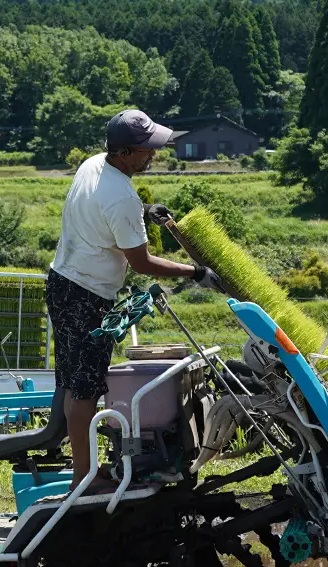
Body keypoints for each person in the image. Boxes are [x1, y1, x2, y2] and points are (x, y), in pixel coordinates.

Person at [49, 110, 220, 490]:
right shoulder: (121, 197)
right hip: (85, 295)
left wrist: (145, 212)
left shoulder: (94, 165)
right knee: (86, 390)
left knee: (76, 385)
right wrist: (195, 273)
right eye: (147, 150)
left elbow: (103, 212)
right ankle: (85, 477)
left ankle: (87, 468)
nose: (153, 155)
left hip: (63, 282)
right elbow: (141, 264)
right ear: (126, 152)